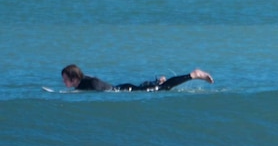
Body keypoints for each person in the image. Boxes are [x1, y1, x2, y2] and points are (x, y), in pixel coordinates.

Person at [61, 64, 214, 92]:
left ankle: (194, 74)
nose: (63, 82)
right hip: (123, 88)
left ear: (74, 78)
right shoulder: (83, 81)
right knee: (149, 87)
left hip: (124, 90)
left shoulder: (88, 84)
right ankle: (158, 81)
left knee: (163, 89)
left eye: (65, 79)